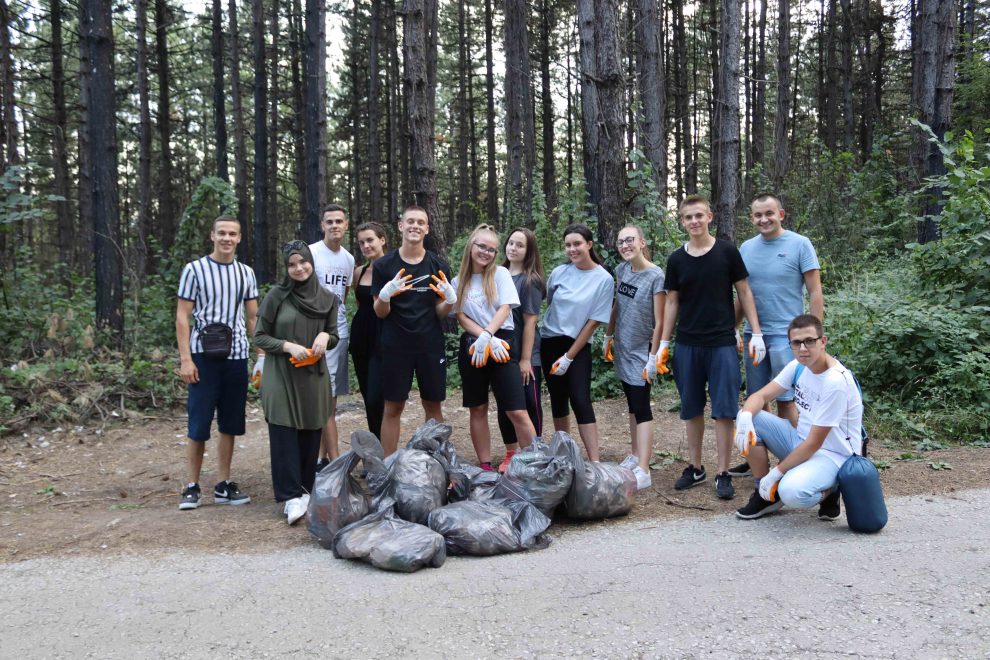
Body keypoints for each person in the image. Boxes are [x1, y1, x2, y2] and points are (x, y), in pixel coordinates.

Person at [657, 195, 764, 500]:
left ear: (709, 217)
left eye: (698, 216)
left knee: (724, 410)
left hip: (721, 343)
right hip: (688, 344)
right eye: (688, 217)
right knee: (691, 408)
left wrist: (756, 332)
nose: (694, 221)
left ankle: (723, 472)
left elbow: (744, 292)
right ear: (682, 221)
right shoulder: (676, 259)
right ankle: (695, 467)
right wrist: (664, 342)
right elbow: (672, 302)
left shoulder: (727, 252)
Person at [727, 193, 824, 478]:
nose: (764, 219)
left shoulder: (800, 244)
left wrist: (814, 335)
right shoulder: (746, 248)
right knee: (756, 400)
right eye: (758, 215)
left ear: (781, 214)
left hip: (789, 338)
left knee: (786, 399)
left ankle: (794, 459)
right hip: (754, 336)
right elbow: (743, 294)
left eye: (769, 213)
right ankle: (757, 460)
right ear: (752, 218)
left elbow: (815, 291)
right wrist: (733, 327)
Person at [733, 314, 861, 521]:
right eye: (796, 343)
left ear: (823, 341)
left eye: (809, 341)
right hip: (800, 441)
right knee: (746, 416)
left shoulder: (835, 381)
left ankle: (830, 489)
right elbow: (760, 396)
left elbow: (814, 443)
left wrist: (776, 473)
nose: (803, 348)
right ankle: (765, 494)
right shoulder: (799, 366)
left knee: (791, 492)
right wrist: (746, 417)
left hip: (832, 456)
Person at [175, 215, 258, 510]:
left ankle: (223, 484)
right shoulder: (194, 270)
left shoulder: (246, 273)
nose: (226, 238)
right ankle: (192, 486)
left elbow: (252, 317)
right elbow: (182, 316)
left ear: (239, 238)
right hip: (203, 357)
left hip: (236, 356)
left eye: (232, 234)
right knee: (199, 423)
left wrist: (260, 354)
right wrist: (186, 359)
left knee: (230, 423)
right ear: (212, 235)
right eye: (221, 233)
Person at [254, 241, 339, 524]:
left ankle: (305, 490)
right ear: (286, 268)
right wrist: (287, 346)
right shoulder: (277, 296)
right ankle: (289, 496)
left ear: (311, 263)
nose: (299, 268)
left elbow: (333, 334)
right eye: (292, 264)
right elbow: (260, 335)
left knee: (311, 429)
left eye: (303, 262)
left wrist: (326, 337)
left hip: (312, 374)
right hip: (281, 372)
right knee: (283, 429)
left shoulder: (327, 298)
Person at [372, 206, 456, 456]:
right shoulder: (384, 265)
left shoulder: (438, 265)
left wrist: (450, 301)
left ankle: (437, 462)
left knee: (433, 405)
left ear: (427, 228)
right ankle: (388, 466)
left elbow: (440, 312)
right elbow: (380, 312)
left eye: (420, 222)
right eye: (410, 221)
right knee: (393, 407)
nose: (415, 226)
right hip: (396, 345)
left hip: (430, 345)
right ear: (401, 226)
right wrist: (386, 295)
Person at [452, 224, 536, 471]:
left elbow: (505, 307)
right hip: (474, 345)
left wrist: (489, 335)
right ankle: (485, 465)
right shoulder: (459, 281)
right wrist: (482, 337)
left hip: (502, 343)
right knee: (477, 407)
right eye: (482, 246)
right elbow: (461, 316)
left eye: (491, 249)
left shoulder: (500, 274)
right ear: (471, 246)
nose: (486, 253)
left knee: (516, 410)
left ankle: (535, 463)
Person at [540, 223, 614, 462]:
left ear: (589, 245)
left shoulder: (604, 279)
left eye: (577, 244)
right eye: (568, 245)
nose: (572, 249)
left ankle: (594, 461)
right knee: (558, 398)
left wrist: (569, 357)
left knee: (580, 399)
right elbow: (551, 304)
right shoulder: (559, 273)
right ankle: (564, 454)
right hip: (550, 341)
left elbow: (593, 322)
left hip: (578, 344)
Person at [603, 225, 665, 490]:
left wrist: (654, 356)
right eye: (621, 241)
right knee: (631, 405)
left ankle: (645, 469)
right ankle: (636, 455)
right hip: (623, 348)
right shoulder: (622, 270)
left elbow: (661, 320)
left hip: (643, 351)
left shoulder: (656, 276)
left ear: (642, 242)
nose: (625, 245)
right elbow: (617, 304)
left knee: (642, 407)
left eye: (629, 240)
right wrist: (608, 335)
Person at [495, 227, 546, 472]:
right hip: (501, 351)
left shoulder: (529, 280)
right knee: (506, 404)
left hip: (525, 355)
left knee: (528, 404)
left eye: (520, 245)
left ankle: (535, 452)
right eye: (511, 243)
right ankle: (511, 453)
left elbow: (530, 321)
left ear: (529, 251)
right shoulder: (497, 274)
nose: (513, 248)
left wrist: (526, 359)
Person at [309, 204, 355, 470]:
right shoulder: (312, 253)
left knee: (332, 398)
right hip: (314, 332)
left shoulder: (348, 259)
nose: (335, 225)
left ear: (346, 225)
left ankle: (322, 458)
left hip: (338, 332)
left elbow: (343, 296)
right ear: (322, 225)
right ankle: (329, 460)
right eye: (330, 221)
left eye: (339, 221)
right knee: (320, 397)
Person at [349, 221, 388, 439]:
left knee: (376, 397)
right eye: (362, 242)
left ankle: (386, 446)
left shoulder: (394, 269)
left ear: (382, 240)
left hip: (384, 338)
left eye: (370, 240)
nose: (366, 246)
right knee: (367, 397)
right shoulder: (359, 272)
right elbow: (359, 303)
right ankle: (376, 447)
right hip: (361, 337)